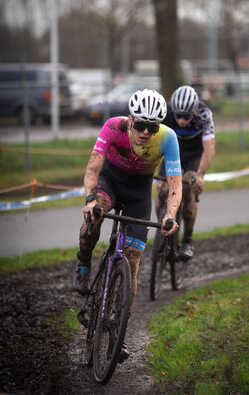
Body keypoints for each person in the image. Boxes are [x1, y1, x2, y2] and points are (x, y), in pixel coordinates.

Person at [73, 88, 182, 361]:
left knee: (132, 263)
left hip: (138, 193)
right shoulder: (114, 126)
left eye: (152, 126)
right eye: (140, 124)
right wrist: (89, 200)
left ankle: (117, 333)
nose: (145, 131)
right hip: (109, 183)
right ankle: (84, 262)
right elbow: (93, 169)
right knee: (94, 216)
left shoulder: (168, 138)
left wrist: (169, 214)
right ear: (131, 119)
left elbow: (175, 185)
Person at [155, 85, 215, 260]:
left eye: (186, 116)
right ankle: (162, 231)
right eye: (178, 116)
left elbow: (209, 149)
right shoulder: (165, 111)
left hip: (194, 155)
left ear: (194, 111)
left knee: (189, 190)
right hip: (171, 153)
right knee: (160, 192)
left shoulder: (204, 114)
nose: (181, 120)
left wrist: (200, 175)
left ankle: (187, 240)